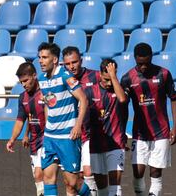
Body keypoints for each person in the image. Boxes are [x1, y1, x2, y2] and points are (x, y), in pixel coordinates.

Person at [120, 42, 176, 196]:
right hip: (139, 133)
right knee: (138, 172)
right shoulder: (127, 78)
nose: (143, 67)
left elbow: (173, 99)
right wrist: (121, 131)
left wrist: (175, 128)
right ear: (134, 59)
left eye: (146, 63)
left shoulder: (164, 74)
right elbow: (123, 107)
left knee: (155, 171)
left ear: (151, 58)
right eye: (140, 64)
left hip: (161, 131)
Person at [37, 42, 90, 196]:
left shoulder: (66, 76)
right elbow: (48, 103)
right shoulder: (42, 79)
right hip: (50, 136)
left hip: (67, 136)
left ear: (54, 60)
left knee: (73, 182)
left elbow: (83, 99)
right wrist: (48, 125)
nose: (41, 60)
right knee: (47, 177)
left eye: (45, 57)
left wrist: (77, 126)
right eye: (39, 57)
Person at [84, 59, 128, 196]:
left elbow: (122, 100)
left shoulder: (119, 88)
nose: (108, 83)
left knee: (115, 187)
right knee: (102, 188)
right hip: (96, 143)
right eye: (105, 79)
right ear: (99, 75)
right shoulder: (90, 92)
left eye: (111, 79)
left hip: (116, 142)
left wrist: (113, 77)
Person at [62, 46, 100, 196]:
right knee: (70, 182)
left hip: (90, 134)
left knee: (89, 174)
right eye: (68, 64)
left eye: (75, 62)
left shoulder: (95, 77)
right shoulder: (61, 80)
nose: (72, 66)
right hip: (69, 136)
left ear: (81, 60)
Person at [6, 62, 45, 196]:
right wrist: (13, 138)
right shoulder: (23, 97)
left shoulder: (46, 91)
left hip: (50, 138)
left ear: (34, 75)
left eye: (25, 81)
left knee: (43, 174)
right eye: (21, 82)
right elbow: (21, 120)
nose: (23, 84)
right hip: (34, 141)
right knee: (37, 177)